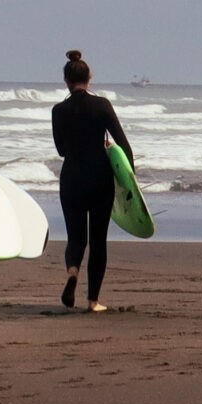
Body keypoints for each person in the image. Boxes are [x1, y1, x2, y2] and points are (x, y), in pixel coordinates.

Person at [51, 50, 134, 313]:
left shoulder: (58, 110)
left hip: (71, 179)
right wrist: (131, 184)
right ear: (90, 78)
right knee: (98, 241)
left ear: (66, 80)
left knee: (76, 238)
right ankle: (93, 301)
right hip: (99, 179)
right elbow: (124, 147)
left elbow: (62, 150)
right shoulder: (102, 106)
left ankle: (73, 271)